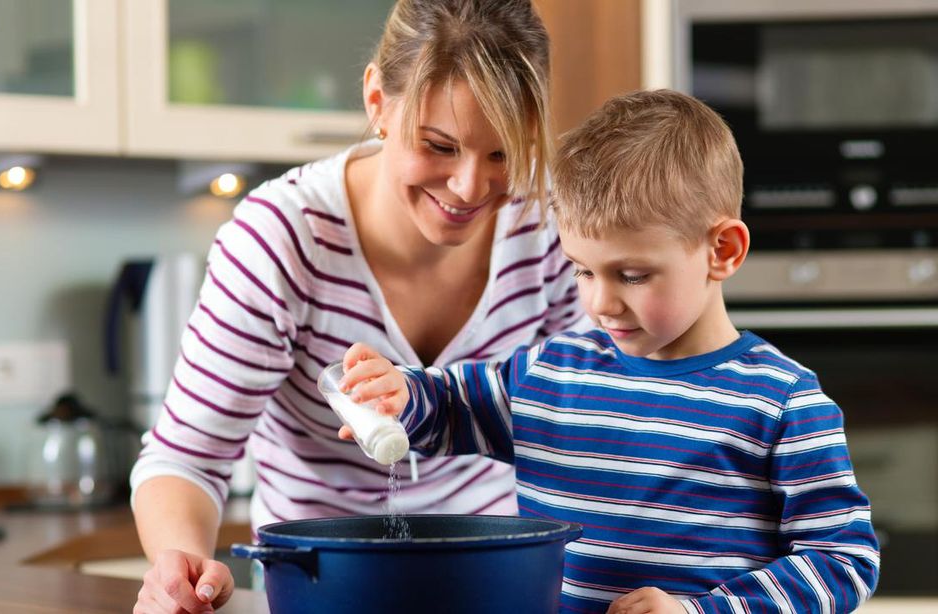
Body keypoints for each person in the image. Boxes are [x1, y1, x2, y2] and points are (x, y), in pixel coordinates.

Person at [338, 89, 880, 613]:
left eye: (633, 275)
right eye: (583, 270)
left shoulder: (781, 403)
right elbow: (450, 406)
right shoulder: (550, 371)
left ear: (723, 250)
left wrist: (703, 611)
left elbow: (844, 559)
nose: (601, 302)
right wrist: (400, 394)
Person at [130, 1, 585, 611]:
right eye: (440, 146)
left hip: (497, 579)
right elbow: (187, 458)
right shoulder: (283, 240)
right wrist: (178, 565)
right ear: (377, 102)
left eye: (503, 153)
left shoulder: (549, 226)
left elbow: (584, 418)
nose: (471, 187)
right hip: (324, 585)